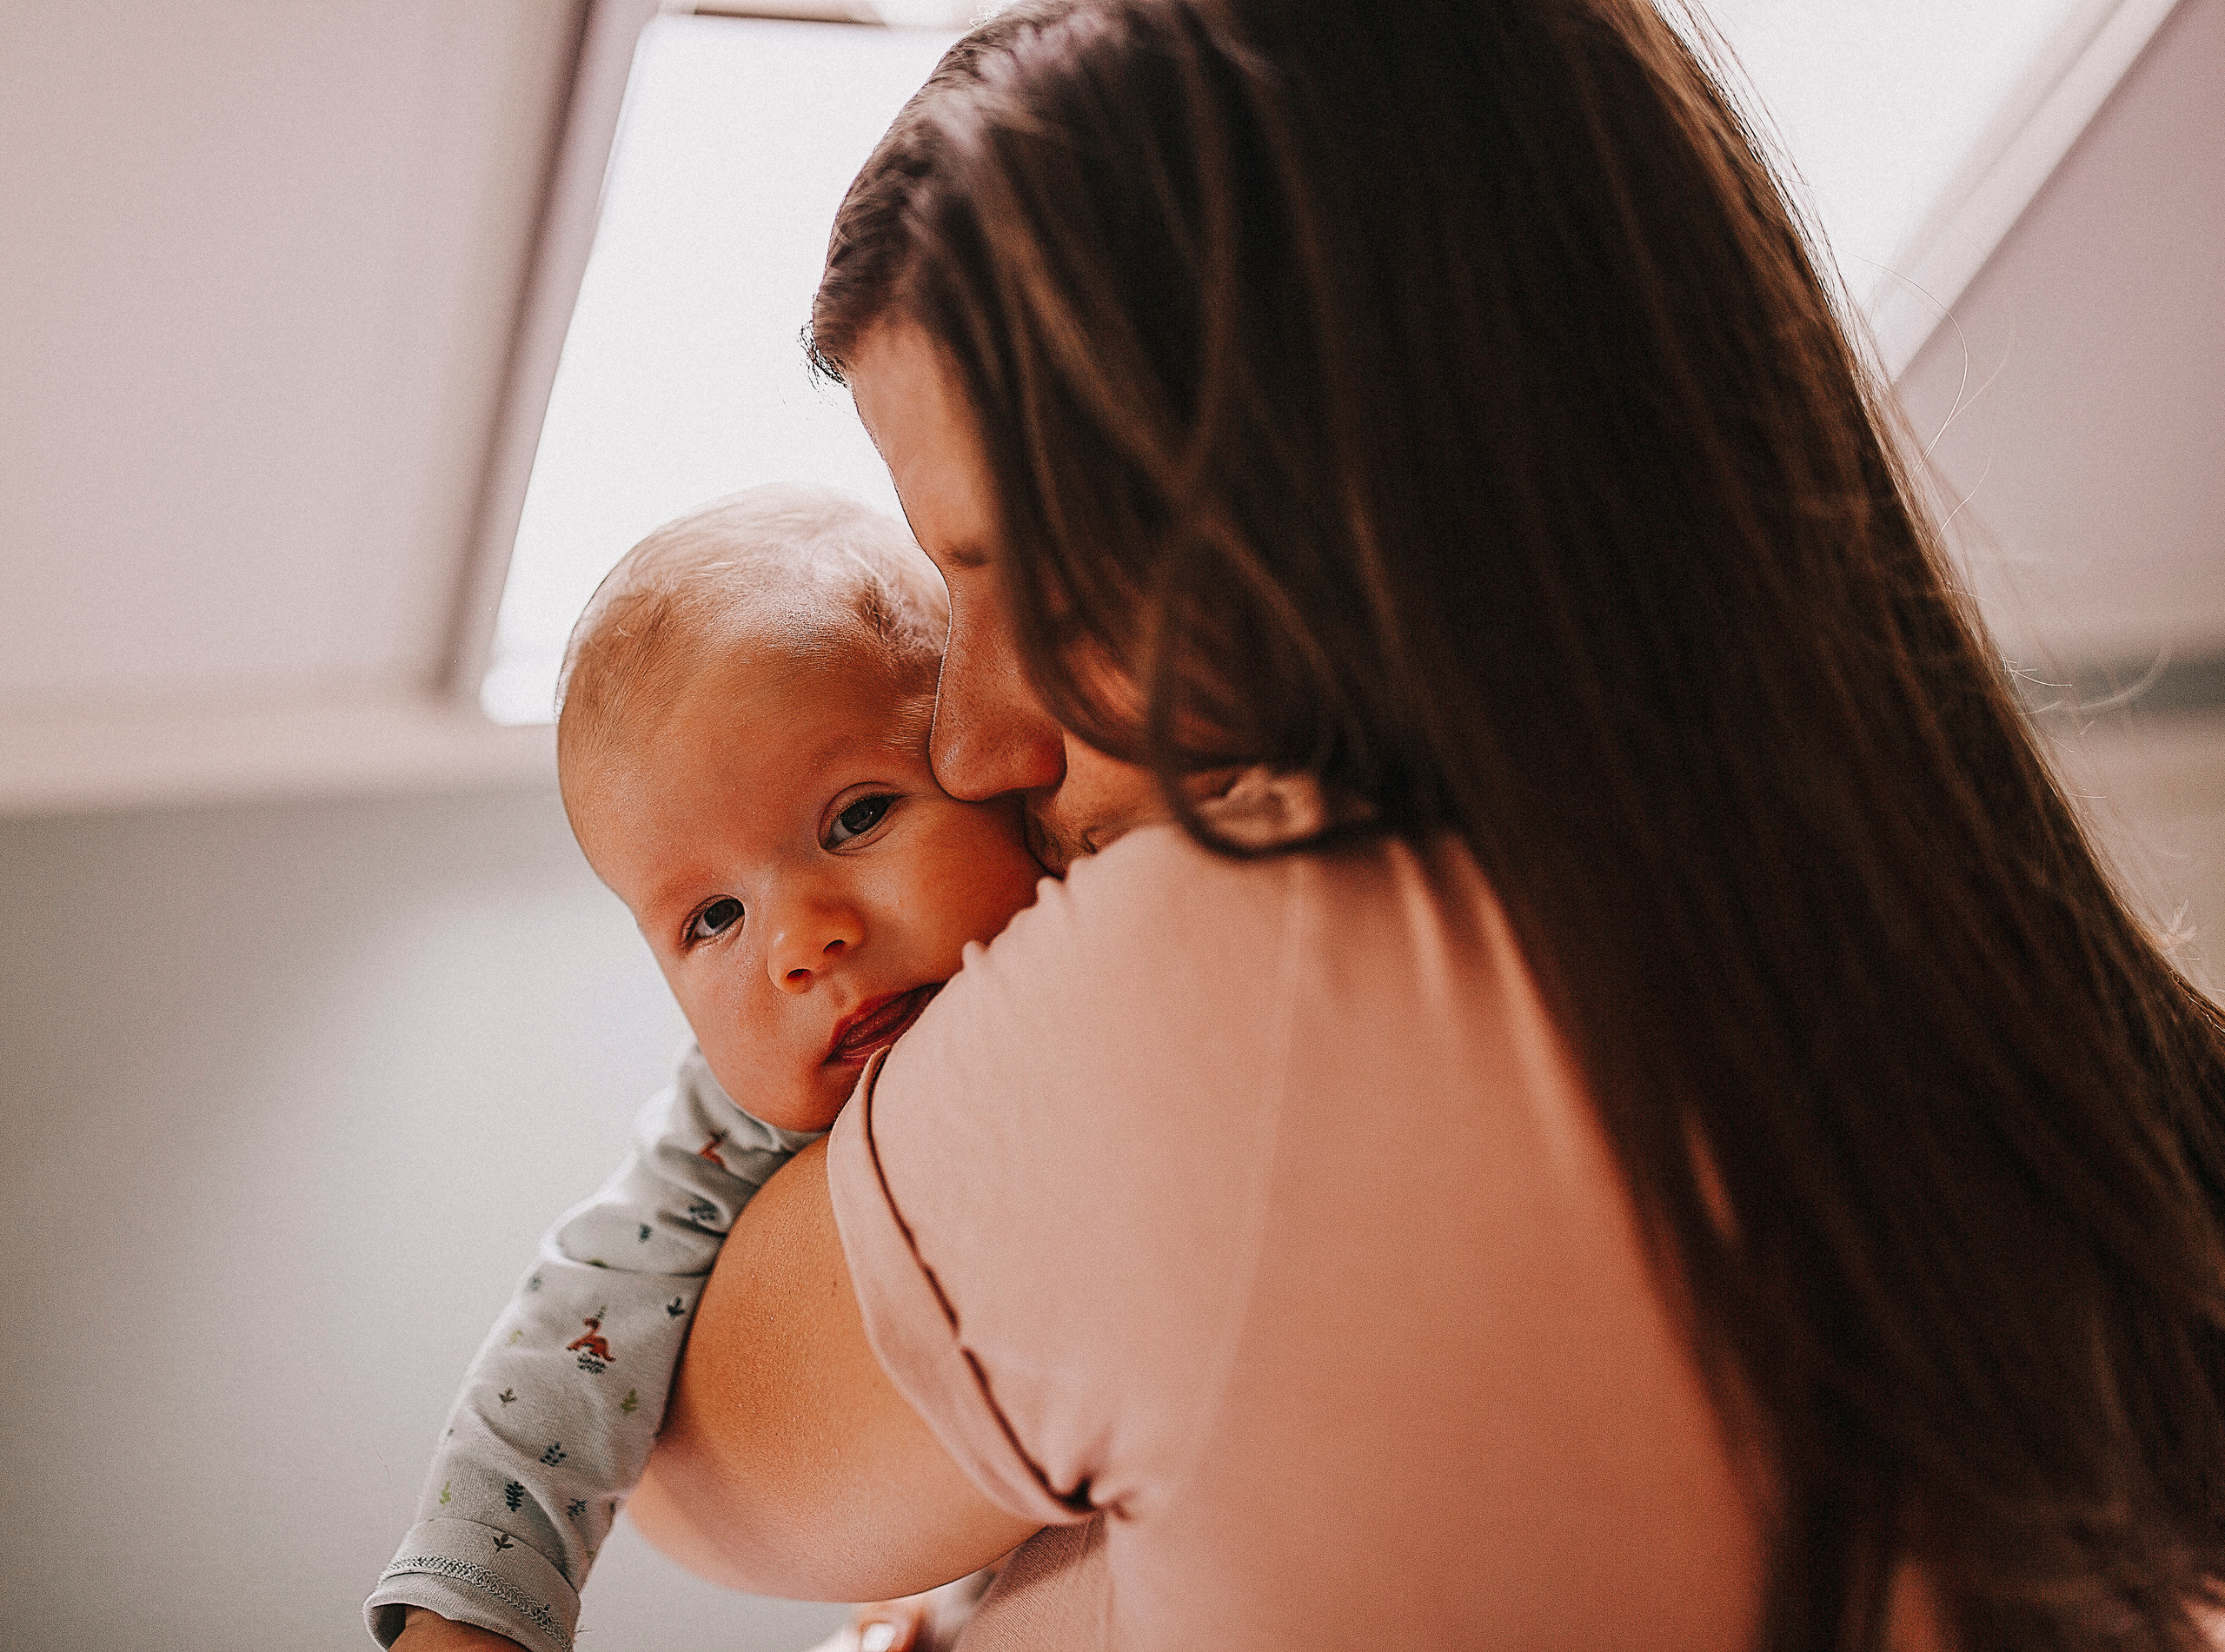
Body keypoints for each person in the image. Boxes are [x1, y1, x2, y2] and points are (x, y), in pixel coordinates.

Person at [598, 2, 2225, 1649]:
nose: (978, 731)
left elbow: (681, 1443)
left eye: (1044, 578)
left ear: (1380, 485)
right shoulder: (2091, 1105)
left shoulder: (1228, 977)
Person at [369, 485, 1044, 1652]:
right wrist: (467, 1612)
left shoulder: (1101, 919)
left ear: (991, 757)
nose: (801, 940)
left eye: (857, 815)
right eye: (714, 917)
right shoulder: (726, 1120)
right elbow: (573, 1327)